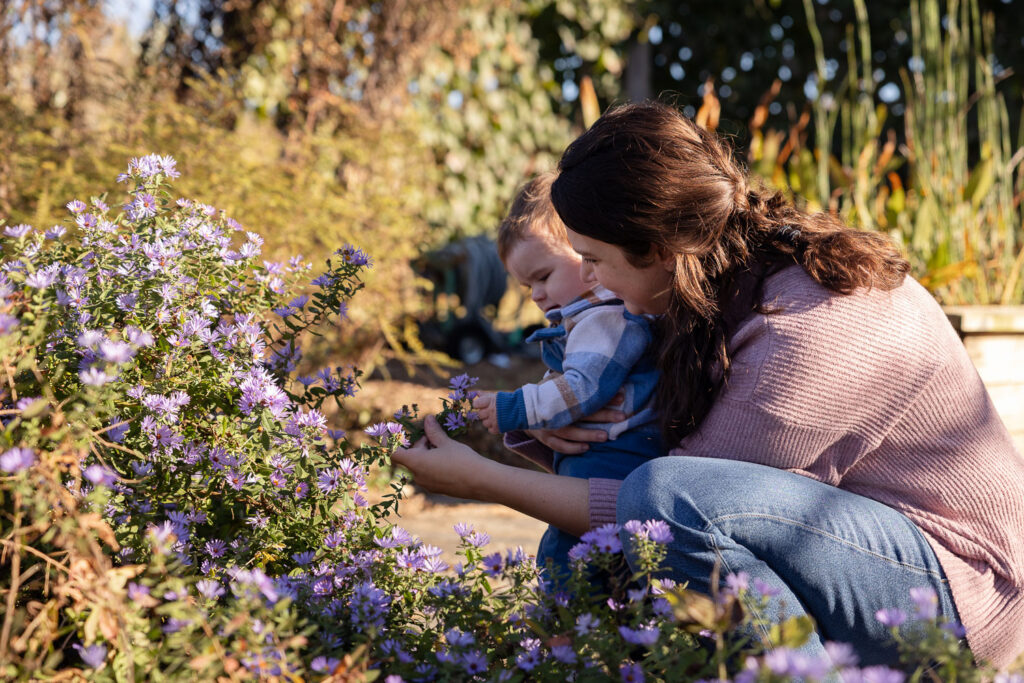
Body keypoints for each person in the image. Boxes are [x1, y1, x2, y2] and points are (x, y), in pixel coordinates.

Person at [393, 101, 1024, 669]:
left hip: (958, 590)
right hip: (859, 547)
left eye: (595, 259)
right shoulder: (722, 279)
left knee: (666, 503)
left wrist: (480, 478)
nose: (590, 282)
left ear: (660, 247)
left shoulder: (805, 328)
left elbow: (662, 512)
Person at [474, 171, 662, 578]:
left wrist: (514, 407)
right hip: (605, 459)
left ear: (586, 253)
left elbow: (582, 387)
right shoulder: (587, 318)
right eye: (527, 286)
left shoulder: (605, 317)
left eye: (543, 276)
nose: (537, 294)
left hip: (612, 460)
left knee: (568, 564)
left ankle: (564, 637)